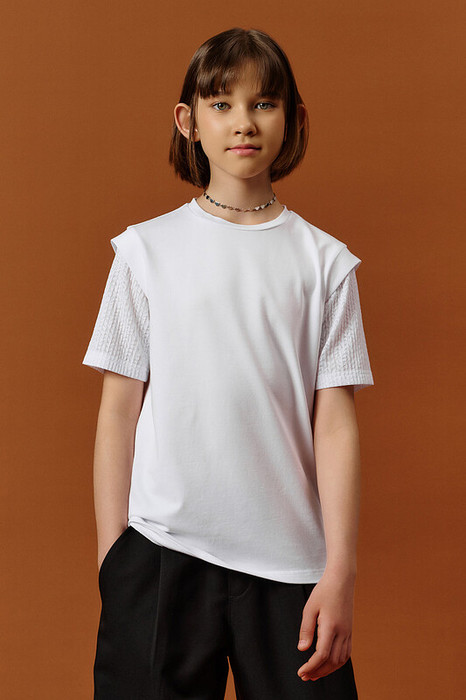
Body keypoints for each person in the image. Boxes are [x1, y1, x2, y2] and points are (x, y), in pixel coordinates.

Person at [82, 26, 374, 700]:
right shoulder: (145, 252)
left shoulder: (326, 263)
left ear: (293, 119)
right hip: (161, 555)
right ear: (188, 121)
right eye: (221, 104)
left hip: (292, 567)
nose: (243, 122)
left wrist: (340, 571)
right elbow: (118, 412)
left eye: (263, 103)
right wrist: (114, 560)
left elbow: (335, 424)